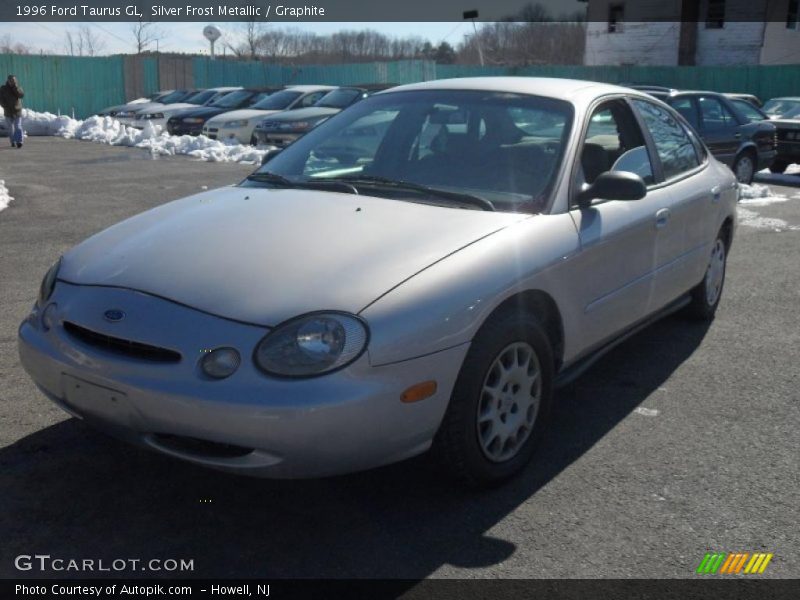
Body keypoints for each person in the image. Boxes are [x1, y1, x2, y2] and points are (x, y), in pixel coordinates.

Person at [0, 75, 25, 149]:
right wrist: (4, 106)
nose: (12, 82)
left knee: (18, 127)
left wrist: (15, 87)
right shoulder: (3, 88)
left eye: (14, 80)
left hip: (17, 110)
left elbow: (21, 95)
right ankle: (13, 141)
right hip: (8, 111)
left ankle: (19, 142)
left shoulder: (18, 87)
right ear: (8, 81)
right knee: (10, 128)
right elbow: (0, 99)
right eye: (11, 80)